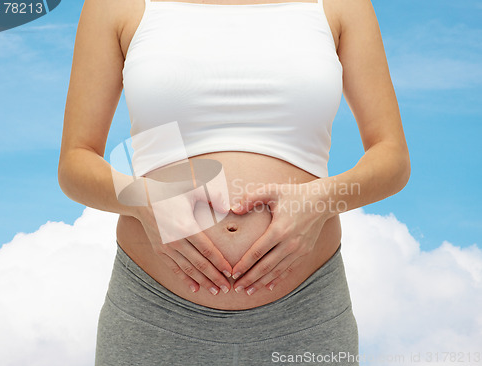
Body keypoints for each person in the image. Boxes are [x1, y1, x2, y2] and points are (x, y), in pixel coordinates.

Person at [58, 0, 410, 364]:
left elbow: (393, 158)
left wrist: (323, 199)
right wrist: (146, 201)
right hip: (154, 313)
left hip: (306, 314)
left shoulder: (342, 6)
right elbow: (75, 162)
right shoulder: (114, 5)